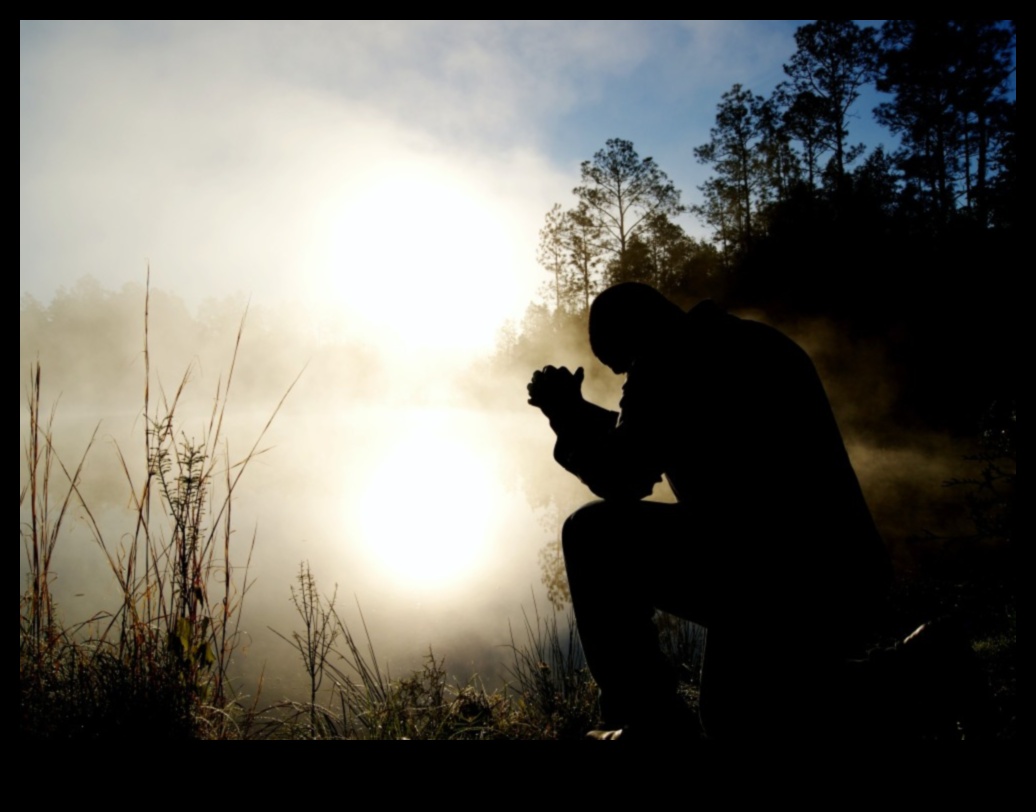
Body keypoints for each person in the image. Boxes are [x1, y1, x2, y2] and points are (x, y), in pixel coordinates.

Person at [527, 283, 890, 741]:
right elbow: (652, 431)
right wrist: (579, 411)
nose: (625, 379)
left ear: (637, 332)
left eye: (624, 365)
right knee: (734, 715)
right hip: (840, 572)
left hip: (769, 573)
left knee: (592, 534)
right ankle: (920, 668)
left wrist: (563, 415)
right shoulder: (749, 341)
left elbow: (626, 477)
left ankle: (648, 721)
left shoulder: (667, 362)